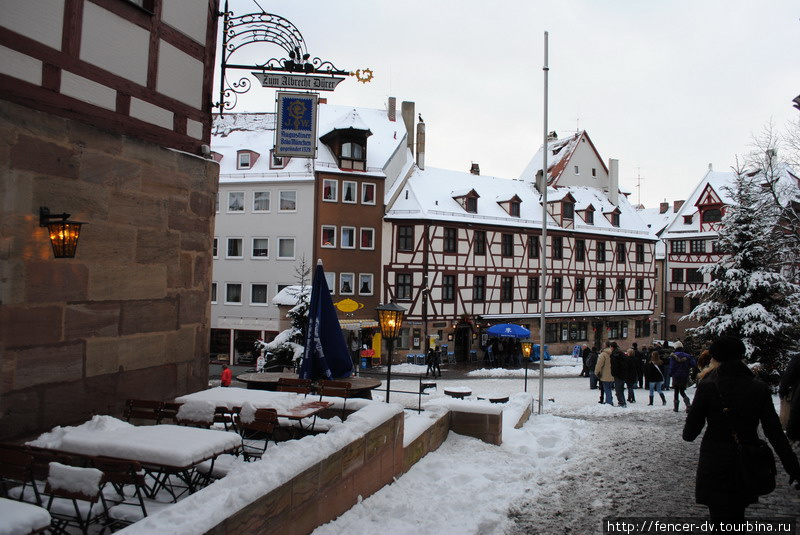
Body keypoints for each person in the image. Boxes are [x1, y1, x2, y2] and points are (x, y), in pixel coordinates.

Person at [683, 335, 800, 523]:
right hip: (747, 460)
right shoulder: (758, 387)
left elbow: (689, 434)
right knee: (737, 516)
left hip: (715, 462)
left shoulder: (707, 386)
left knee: (719, 519)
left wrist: (694, 412)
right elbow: (775, 433)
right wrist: (793, 468)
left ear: (716, 358)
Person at [778, 352, 800, 441]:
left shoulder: (798, 358)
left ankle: (793, 438)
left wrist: (783, 391)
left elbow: (788, 376)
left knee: (796, 416)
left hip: (799, 395)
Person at [670, 341, 694, 412]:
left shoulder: (673, 356)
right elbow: (693, 364)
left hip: (676, 375)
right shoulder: (687, 356)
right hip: (684, 375)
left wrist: (670, 373)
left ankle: (676, 407)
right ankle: (688, 403)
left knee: (676, 391)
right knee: (682, 391)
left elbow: (672, 366)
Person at [609, 342, 628, 407]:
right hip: (623, 373)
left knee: (618, 389)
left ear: (612, 347)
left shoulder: (615, 355)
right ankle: (623, 402)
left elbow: (614, 366)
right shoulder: (621, 353)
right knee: (621, 389)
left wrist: (613, 373)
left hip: (618, 374)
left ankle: (621, 402)